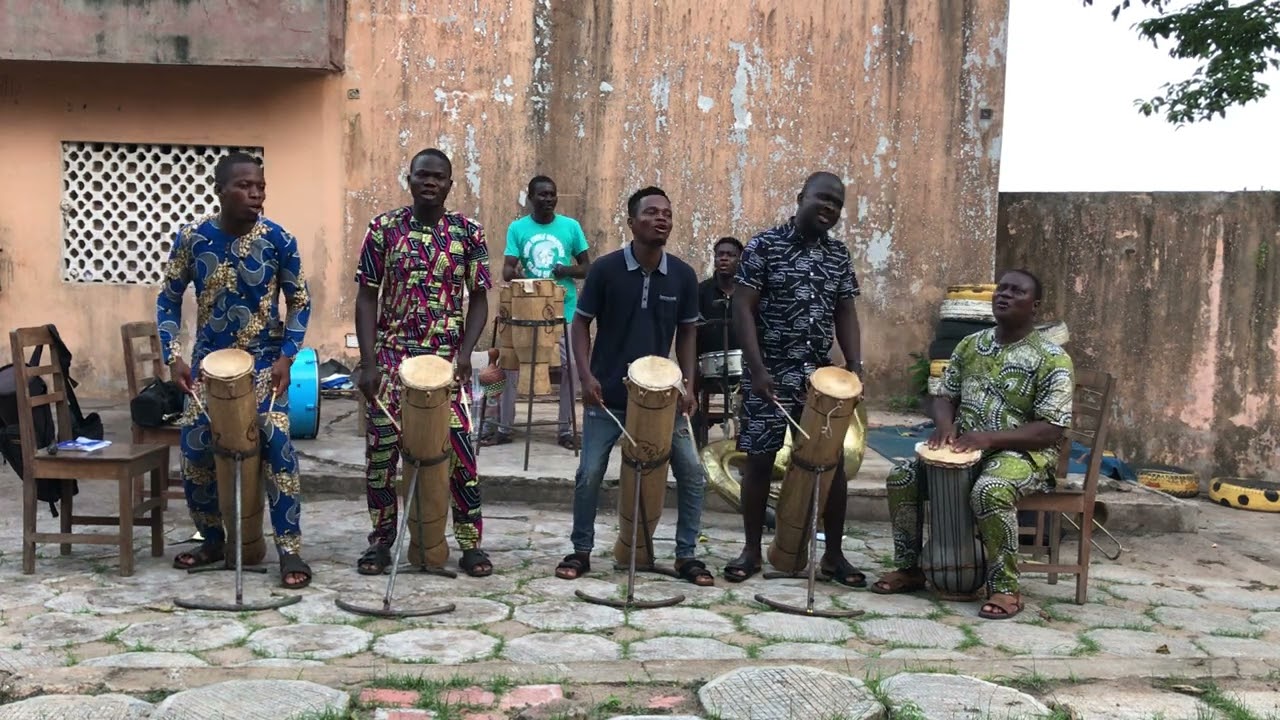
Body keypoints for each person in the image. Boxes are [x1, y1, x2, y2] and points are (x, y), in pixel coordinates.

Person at [872, 269, 1073, 620]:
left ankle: (1006, 588)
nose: (1004, 295)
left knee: (990, 490)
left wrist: (989, 438)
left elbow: (1051, 429)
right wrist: (946, 425)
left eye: (1016, 292)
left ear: (1035, 306)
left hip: (1025, 455)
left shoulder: (1051, 358)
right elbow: (941, 396)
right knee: (902, 475)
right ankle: (910, 568)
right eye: (1001, 289)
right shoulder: (971, 345)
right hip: (965, 445)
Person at [156, 152, 313, 589]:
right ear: (220, 189)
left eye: (260, 185)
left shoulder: (279, 239)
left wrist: (287, 356)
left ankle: (288, 549)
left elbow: (300, 300)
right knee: (194, 449)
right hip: (208, 368)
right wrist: (174, 356)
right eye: (245, 185)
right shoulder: (192, 238)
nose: (256, 193)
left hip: (264, 366)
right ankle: (213, 539)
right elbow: (168, 298)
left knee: (277, 444)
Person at [553, 186, 713, 587]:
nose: (662, 219)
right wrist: (585, 376)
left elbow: (688, 333)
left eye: (668, 214)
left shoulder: (683, 275)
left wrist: (689, 384)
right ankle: (581, 549)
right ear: (631, 222)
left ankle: (686, 555)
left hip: (662, 400)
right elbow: (580, 323)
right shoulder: (605, 270)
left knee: (693, 473)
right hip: (607, 397)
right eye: (652, 212)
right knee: (589, 473)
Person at [352, 148, 494, 578]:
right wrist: (369, 361)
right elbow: (365, 297)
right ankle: (381, 542)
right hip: (392, 363)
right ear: (409, 179)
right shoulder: (383, 230)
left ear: (450, 184)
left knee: (461, 456)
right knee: (381, 457)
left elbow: (481, 300)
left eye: (438, 177)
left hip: (446, 364)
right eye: (422, 176)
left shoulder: (468, 232)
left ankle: (469, 544)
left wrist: (467, 355)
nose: (429, 183)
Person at [725, 171, 865, 586]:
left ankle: (834, 556)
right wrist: (757, 369)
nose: (829, 208)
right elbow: (743, 309)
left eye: (837, 204)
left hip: (820, 378)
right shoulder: (764, 246)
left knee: (832, 465)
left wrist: (855, 365)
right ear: (801, 196)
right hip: (769, 371)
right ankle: (751, 550)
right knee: (759, 460)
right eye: (822, 199)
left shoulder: (838, 256)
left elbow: (846, 311)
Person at [482, 175, 590, 450]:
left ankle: (566, 429)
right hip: (525, 315)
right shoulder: (518, 228)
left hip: (560, 315)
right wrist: (514, 272)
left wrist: (566, 270)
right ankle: (504, 427)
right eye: (541, 195)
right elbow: (507, 269)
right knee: (508, 365)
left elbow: (589, 268)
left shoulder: (571, 227)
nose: (548, 199)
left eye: (552, 194)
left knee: (573, 366)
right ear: (530, 198)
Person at [692, 236, 743, 446]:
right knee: (691, 398)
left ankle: (745, 453)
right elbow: (691, 329)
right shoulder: (701, 291)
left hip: (744, 365)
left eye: (730, 255)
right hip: (707, 367)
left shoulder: (748, 291)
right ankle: (697, 452)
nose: (723, 259)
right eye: (719, 254)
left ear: (740, 260)